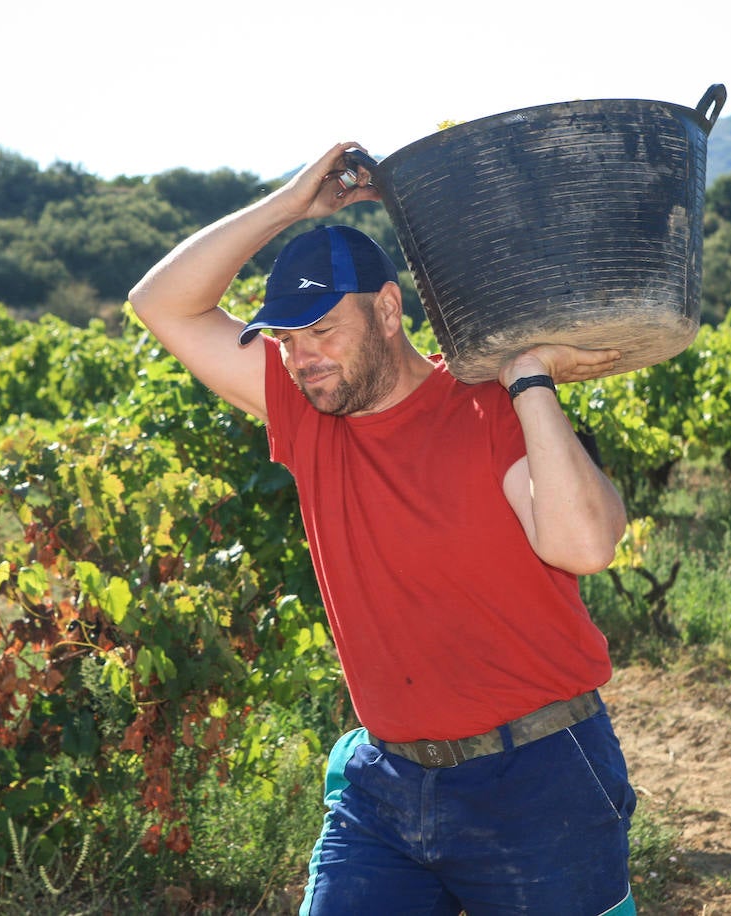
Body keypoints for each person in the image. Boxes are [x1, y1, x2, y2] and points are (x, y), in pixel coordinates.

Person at [128, 142, 636, 915]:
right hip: (387, 786)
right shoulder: (305, 411)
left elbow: (585, 545)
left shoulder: (483, 408)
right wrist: (292, 206)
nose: (303, 359)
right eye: (288, 340)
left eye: (323, 331)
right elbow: (160, 303)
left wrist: (527, 376)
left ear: (390, 311)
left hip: (538, 780)